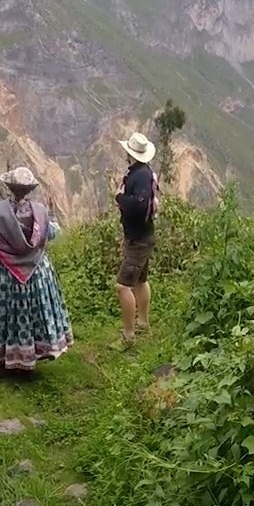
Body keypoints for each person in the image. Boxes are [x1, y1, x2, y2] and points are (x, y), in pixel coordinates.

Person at [0, 167, 73, 380]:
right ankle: (29, 359)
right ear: (29, 189)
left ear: (9, 188)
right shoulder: (40, 212)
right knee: (31, 317)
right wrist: (52, 211)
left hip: (7, 276)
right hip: (37, 273)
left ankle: (8, 363)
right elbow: (53, 232)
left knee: (8, 318)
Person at [114, 132, 160, 346]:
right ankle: (142, 323)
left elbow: (139, 204)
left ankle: (128, 335)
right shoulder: (143, 173)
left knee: (123, 286)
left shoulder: (139, 175)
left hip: (138, 240)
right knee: (141, 280)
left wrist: (120, 197)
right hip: (144, 236)